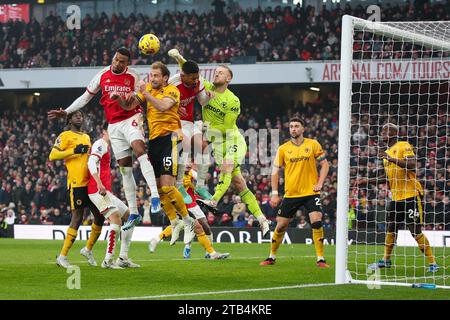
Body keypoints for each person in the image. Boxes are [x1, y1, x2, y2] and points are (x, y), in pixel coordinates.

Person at [47, 47, 161, 231]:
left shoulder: (133, 76)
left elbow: (141, 94)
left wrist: (136, 97)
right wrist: (66, 111)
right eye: (116, 59)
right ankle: (133, 212)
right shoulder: (101, 75)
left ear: (127, 63)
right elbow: (85, 98)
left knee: (140, 149)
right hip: (113, 125)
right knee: (125, 168)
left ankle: (155, 195)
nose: (117, 63)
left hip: (132, 118)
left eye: (121, 61)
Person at [186, 62, 271, 237]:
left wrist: (204, 128)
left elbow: (226, 126)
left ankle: (214, 200)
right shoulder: (206, 87)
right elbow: (191, 70)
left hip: (232, 140)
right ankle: (262, 219)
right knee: (239, 184)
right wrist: (179, 58)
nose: (216, 74)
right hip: (217, 145)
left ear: (228, 78)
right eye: (215, 72)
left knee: (226, 167)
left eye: (221, 73)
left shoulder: (233, 100)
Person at [128, 61, 196, 245]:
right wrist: (122, 97)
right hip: (155, 141)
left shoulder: (173, 91)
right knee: (158, 189)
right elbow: (131, 105)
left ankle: (188, 221)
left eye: (157, 75)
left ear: (165, 78)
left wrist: (146, 92)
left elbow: (163, 107)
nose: (153, 78)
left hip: (171, 138)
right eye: (152, 75)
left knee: (167, 186)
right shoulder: (148, 89)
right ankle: (175, 222)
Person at [365, 123, 438, 272]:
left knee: (414, 230)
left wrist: (390, 158)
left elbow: (412, 165)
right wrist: (366, 181)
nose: (382, 132)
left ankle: (433, 263)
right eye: (382, 130)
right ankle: (385, 260)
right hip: (396, 198)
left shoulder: (403, 145)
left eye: (385, 130)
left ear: (393, 133)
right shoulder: (387, 153)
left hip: (411, 195)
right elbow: (387, 178)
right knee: (391, 228)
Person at [260, 117, 330, 267]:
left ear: (303, 129)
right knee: (281, 226)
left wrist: (319, 183)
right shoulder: (283, 148)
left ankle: (320, 258)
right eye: (291, 126)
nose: (293, 129)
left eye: (297, 126)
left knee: (316, 221)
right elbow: (275, 171)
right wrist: (274, 193)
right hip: (291, 194)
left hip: (311, 192)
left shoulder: (313, 144)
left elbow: (325, 165)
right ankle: (271, 256)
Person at [49, 111, 104, 268]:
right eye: (76, 116)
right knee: (77, 218)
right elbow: (53, 155)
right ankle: (62, 256)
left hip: (90, 183)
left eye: (81, 115)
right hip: (77, 183)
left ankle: (87, 249)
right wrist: (73, 151)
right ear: (70, 119)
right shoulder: (65, 135)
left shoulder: (86, 137)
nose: (80, 117)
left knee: (100, 216)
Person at [148, 164, 229, 260]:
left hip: (192, 204)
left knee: (204, 225)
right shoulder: (174, 176)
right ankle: (210, 253)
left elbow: (202, 180)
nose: (188, 165)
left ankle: (157, 239)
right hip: (181, 205)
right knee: (196, 227)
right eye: (186, 163)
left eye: (190, 162)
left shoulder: (190, 173)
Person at [87, 122, 140, 269]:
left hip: (106, 191)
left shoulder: (109, 147)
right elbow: (91, 162)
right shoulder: (100, 143)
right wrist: (98, 183)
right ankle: (107, 261)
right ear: (104, 130)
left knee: (130, 217)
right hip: (97, 190)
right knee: (115, 219)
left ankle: (123, 257)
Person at [167, 51, 214, 203]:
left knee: (204, 146)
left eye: (196, 77)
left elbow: (202, 102)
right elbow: (159, 103)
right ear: (183, 75)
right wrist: (174, 107)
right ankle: (179, 185)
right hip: (173, 122)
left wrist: (208, 96)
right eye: (192, 77)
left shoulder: (197, 82)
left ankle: (200, 186)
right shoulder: (173, 83)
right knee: (185, 144)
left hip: (188, 122)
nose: (195, 80)